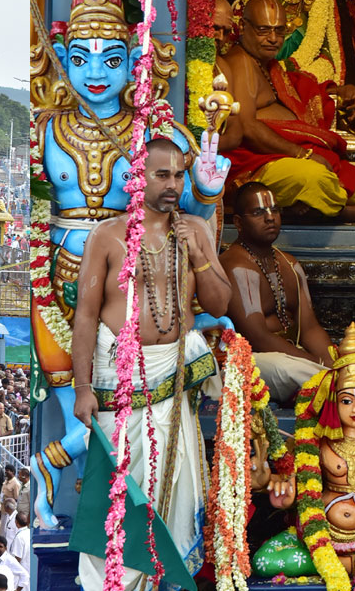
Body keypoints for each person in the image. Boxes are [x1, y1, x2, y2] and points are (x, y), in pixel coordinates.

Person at [72, 138, 230, 589]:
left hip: (172, 379)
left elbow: (220, 301)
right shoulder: (108, 235)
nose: (174, 185)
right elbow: (85, 314)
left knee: (170, 493)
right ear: (136, 178)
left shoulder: (195, 231)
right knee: (120, 496)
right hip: (118, 380)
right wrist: (82, 389)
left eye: (179, 175)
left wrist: (198, 257)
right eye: (163, 175)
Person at [217, 0, 355, 218]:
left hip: (276, 156)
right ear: (243, 27)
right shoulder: (241, 63)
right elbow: (248, 127)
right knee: (315, 178)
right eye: (264, 30)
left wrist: (338, 91)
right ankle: (339, 213)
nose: (273, 38)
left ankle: (312, 207)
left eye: (279, 31)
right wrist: (302, 154)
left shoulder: (265, 64)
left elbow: (296, 90)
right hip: (254, 163)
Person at [220, 182, 333, 399]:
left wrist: (334, 363)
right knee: (288, 369)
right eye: (258, 212)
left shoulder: (290, 265)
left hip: (299, 357)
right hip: (254, 360)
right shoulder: (236, 266)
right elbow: (258, 337)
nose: (270, 217)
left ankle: (329, 383)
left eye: (274, 210)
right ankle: (326, 384)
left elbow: (309, 328)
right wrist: (317, 364)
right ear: (238, 223)